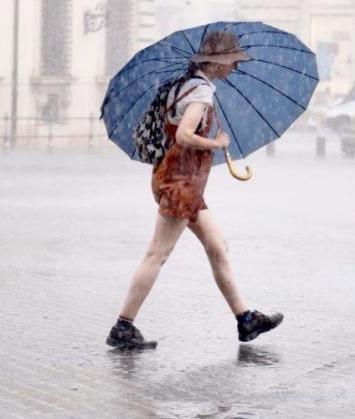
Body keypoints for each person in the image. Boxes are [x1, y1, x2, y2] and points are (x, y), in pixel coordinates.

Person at [106, 31, 284, 350]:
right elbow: (185, 136)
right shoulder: (200, 91)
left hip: (180, 179)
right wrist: (215, 143)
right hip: (181, 182)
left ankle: (246, 320)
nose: (234, 68)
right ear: (216, 63)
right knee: (157, 254)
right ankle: (123, 326)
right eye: (232, 62)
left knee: (217, 245)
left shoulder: (184, 85)